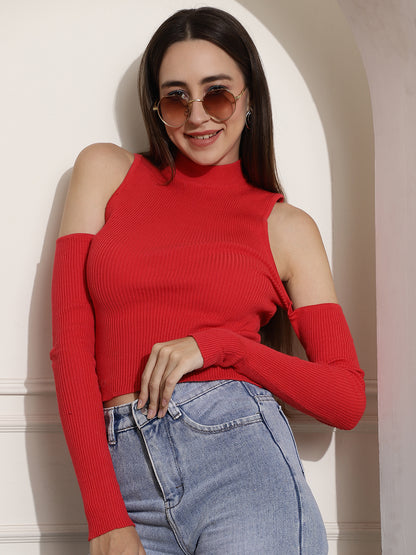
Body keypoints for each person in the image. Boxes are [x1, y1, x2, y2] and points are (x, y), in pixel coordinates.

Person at [50, 7, 366, 555]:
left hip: (244, 468)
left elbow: (346, 399)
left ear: (249, 98)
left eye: (217, 93)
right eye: (176, 98)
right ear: (157, 108)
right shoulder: (105, 172)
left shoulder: (286, 227)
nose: (198, 116)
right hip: (128, 481)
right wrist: (104, 515)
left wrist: (222, 346)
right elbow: (71, 347)